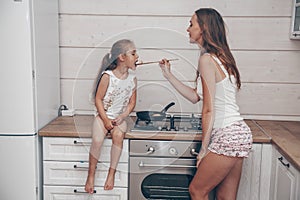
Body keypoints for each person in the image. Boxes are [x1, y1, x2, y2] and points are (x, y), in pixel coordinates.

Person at [159, 8, 252, 200]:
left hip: (226, 133)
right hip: (238, 132)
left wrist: (204, 149)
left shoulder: (207, 60)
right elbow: (195, 96)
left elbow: (208, 109)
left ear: (204, 28)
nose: (188, 29)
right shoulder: (221, 57)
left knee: (197, 191)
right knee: (226, 197)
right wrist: (168, 74)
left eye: (191, 24)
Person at [85, 39, 138, 193]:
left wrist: (123, 116)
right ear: (122, 57)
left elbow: (131, 103)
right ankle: (91, 175)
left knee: (118, 136)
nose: (137, 56)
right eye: (133, 53)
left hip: (119, 118)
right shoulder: (108, 76)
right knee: (97, 140)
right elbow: (98, 99)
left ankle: (111, 173)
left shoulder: (132, 79)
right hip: (103, 116)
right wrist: (106, 120)